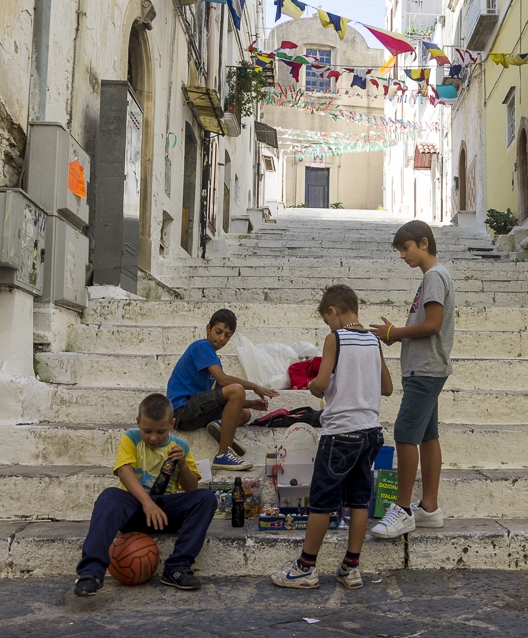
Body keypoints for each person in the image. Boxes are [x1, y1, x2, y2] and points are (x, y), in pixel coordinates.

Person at [271, 284, 393, 589]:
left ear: (334, 312)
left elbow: (322, 384)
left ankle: (306, 567)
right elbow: (387, 388)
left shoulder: (335, 338)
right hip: (370, 432)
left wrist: (313, 383)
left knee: (322, 503)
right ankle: (351, 567)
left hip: (341, 433)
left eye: (327, 319)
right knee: (359, 501)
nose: (329, 325)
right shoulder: (373, 342)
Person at [74, 393, 218, 596]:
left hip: (166, 512)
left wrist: (183, 464)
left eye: (160, 431)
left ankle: (177, 567)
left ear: (172, 424)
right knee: (109, 496)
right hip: (134, 511)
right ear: (138, 423)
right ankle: (91, 573)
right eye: (147, 431)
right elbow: (124, 471)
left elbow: (192, 488)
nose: (153, 437)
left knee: (206, 498)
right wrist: (147, 503)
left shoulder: (181, 447)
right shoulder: (131, 438)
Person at [369, 220, 454, 538]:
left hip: (425, 369)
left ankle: (402, 509)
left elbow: (433, 324)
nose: (402, 256)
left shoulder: (433, 276)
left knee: (405, 434)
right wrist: (397, 332)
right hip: (429, 367)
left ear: (423, 243)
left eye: (405, 249)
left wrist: (394, 333)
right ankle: (429, 508)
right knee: (428, 436)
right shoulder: (434, 276)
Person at [166, 308, 278, 471]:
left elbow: (224, 396)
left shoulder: (213, 358)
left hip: (196, 410)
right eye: (218, 331)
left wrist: (252, 404)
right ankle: (223, 455)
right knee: (237, 389)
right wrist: (254, 386)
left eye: (227, 335)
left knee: (244, 413)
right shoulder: (202, 347)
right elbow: (223, 380)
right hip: (181, 412)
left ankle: (219, 425)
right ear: (208, 328)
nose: (221, 338)